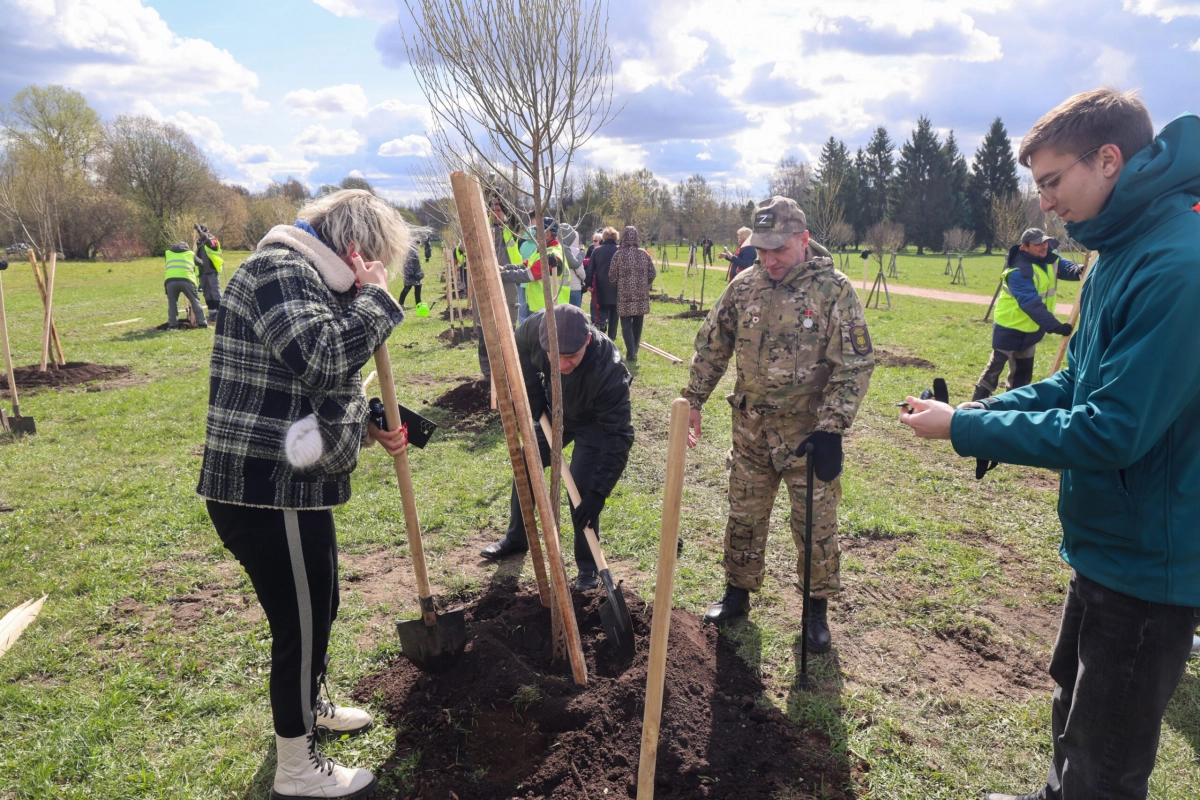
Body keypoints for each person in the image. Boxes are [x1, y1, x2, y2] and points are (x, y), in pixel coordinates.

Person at [899, 89, 1200, 800]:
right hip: (1105, 542)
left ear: (1108, 158)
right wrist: (978, 410)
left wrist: (965, 429)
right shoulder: (1117, 251)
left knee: (1107, 759)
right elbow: (1073, 389)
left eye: (1052, 182)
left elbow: (1111, 428)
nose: (1045, 205)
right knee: (1075, 711)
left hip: (1148, 563)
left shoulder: (1178, 265)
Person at [197, 189, 411, 800]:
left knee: (322, 605)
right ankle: (297, 769)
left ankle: (309, 707)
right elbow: (320, 358)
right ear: (354, 251)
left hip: (294, 488)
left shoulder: (304, 278)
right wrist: (374, 300)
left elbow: (311, 382)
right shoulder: (278, 270)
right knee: (301, 621)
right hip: (267, 492)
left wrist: (364, 420)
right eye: (375, 265)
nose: (370, 280)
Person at [683, 196, 874, 655]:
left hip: (808, 438)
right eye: (762, 250)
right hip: (750, 431)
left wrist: (831, 429)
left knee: (815, 525)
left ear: (803, 240)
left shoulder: (834, 291)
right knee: (744, 515)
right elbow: (712, 344)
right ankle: (737, 594)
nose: (768, 260)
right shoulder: (744, 286)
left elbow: (855, 364)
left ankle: (815, 611)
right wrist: (694, 399)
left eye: (779, 250)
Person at [480, 304, 634, 590]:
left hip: (593, 421)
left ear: (587, 340)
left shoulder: (609, 371)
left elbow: (619, 436)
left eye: (572, 357)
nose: (562, 365)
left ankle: (588, 568)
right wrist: (533, 390)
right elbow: (516, 349)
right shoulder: (536, 327)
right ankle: (518, 537)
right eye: (556, 357)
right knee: (527, 461)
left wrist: (599, 493)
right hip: (554, 410)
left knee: (582, 486)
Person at [972, 228, 1083, 401]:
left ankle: (1012, 409)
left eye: (1045, 242)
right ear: (1025, 247)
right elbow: (1031, 304)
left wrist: (1081, 270)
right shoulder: (1018, 271)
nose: (1044, 246)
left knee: (1023, 375)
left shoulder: (1050, 258)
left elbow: (1067, 267)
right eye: (1038, 243)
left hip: (1031, 329)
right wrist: (1054, 326)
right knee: (994, 369)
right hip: (1009, 327)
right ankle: (975, 406)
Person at [476, 195, 533, 379]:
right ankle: (488, 374)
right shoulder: (480, 230)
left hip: (507, 281)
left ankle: (509, 369)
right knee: (484, 329)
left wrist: (499, 198)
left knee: (508, 325)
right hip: (484, 282)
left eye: (499, 211)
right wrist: (485, 199)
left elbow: (514, 218)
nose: (496, 214)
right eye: (493, 210)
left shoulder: (510, 230)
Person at [607, 225, 655, 365]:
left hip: (624, 295)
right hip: (640, 295)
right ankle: (634, 350)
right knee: (638, 323)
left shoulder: (618, 255)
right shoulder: (644, 254)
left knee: (626, 324)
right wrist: (644, 284)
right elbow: (652, 273)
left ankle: (631, 352)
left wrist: (618, 287)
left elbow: (612, 276)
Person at [524, 218, 571, 314]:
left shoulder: (552, 254)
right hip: (542, 307)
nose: (536, 235)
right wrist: (506, 269)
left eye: (537, 231)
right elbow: (525, 265)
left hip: (549, 309)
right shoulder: (543, 250)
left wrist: (503, 275)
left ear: (547, 234)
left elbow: (530, 274)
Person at [163, 241, 208, 329]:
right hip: (187, 280)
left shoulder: (167, 253)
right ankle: (202, 322)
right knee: (195, 301)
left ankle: (172, 325)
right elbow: (201, 263)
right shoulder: (190, 253)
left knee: (172, 303)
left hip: (170, 281)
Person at [584, 226, 619, 337]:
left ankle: (602, 326)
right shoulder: (619, 250)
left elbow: (590, 269)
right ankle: (612, 335)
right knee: (614, 313)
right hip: (615, 286)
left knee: (602, 309)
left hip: (601, 286)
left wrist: (588, 284)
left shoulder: (597, 251)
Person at [193, 223, 224, 325]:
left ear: (207, 232)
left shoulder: (213, 239)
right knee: (207, 294)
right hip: (202, 272)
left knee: (216, 293)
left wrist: (200, 232)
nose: (201, 236)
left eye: (202, 233)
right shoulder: (198, 242)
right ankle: (212, 315)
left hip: (212, 270)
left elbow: (210, 244)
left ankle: (221, 315)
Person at [558, 222, 587, 308]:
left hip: (560, 286)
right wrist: (584, 278)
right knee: (575, 314)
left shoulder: (558, 248)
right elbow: (580, 271)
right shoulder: (576, 251)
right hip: (574, 287)